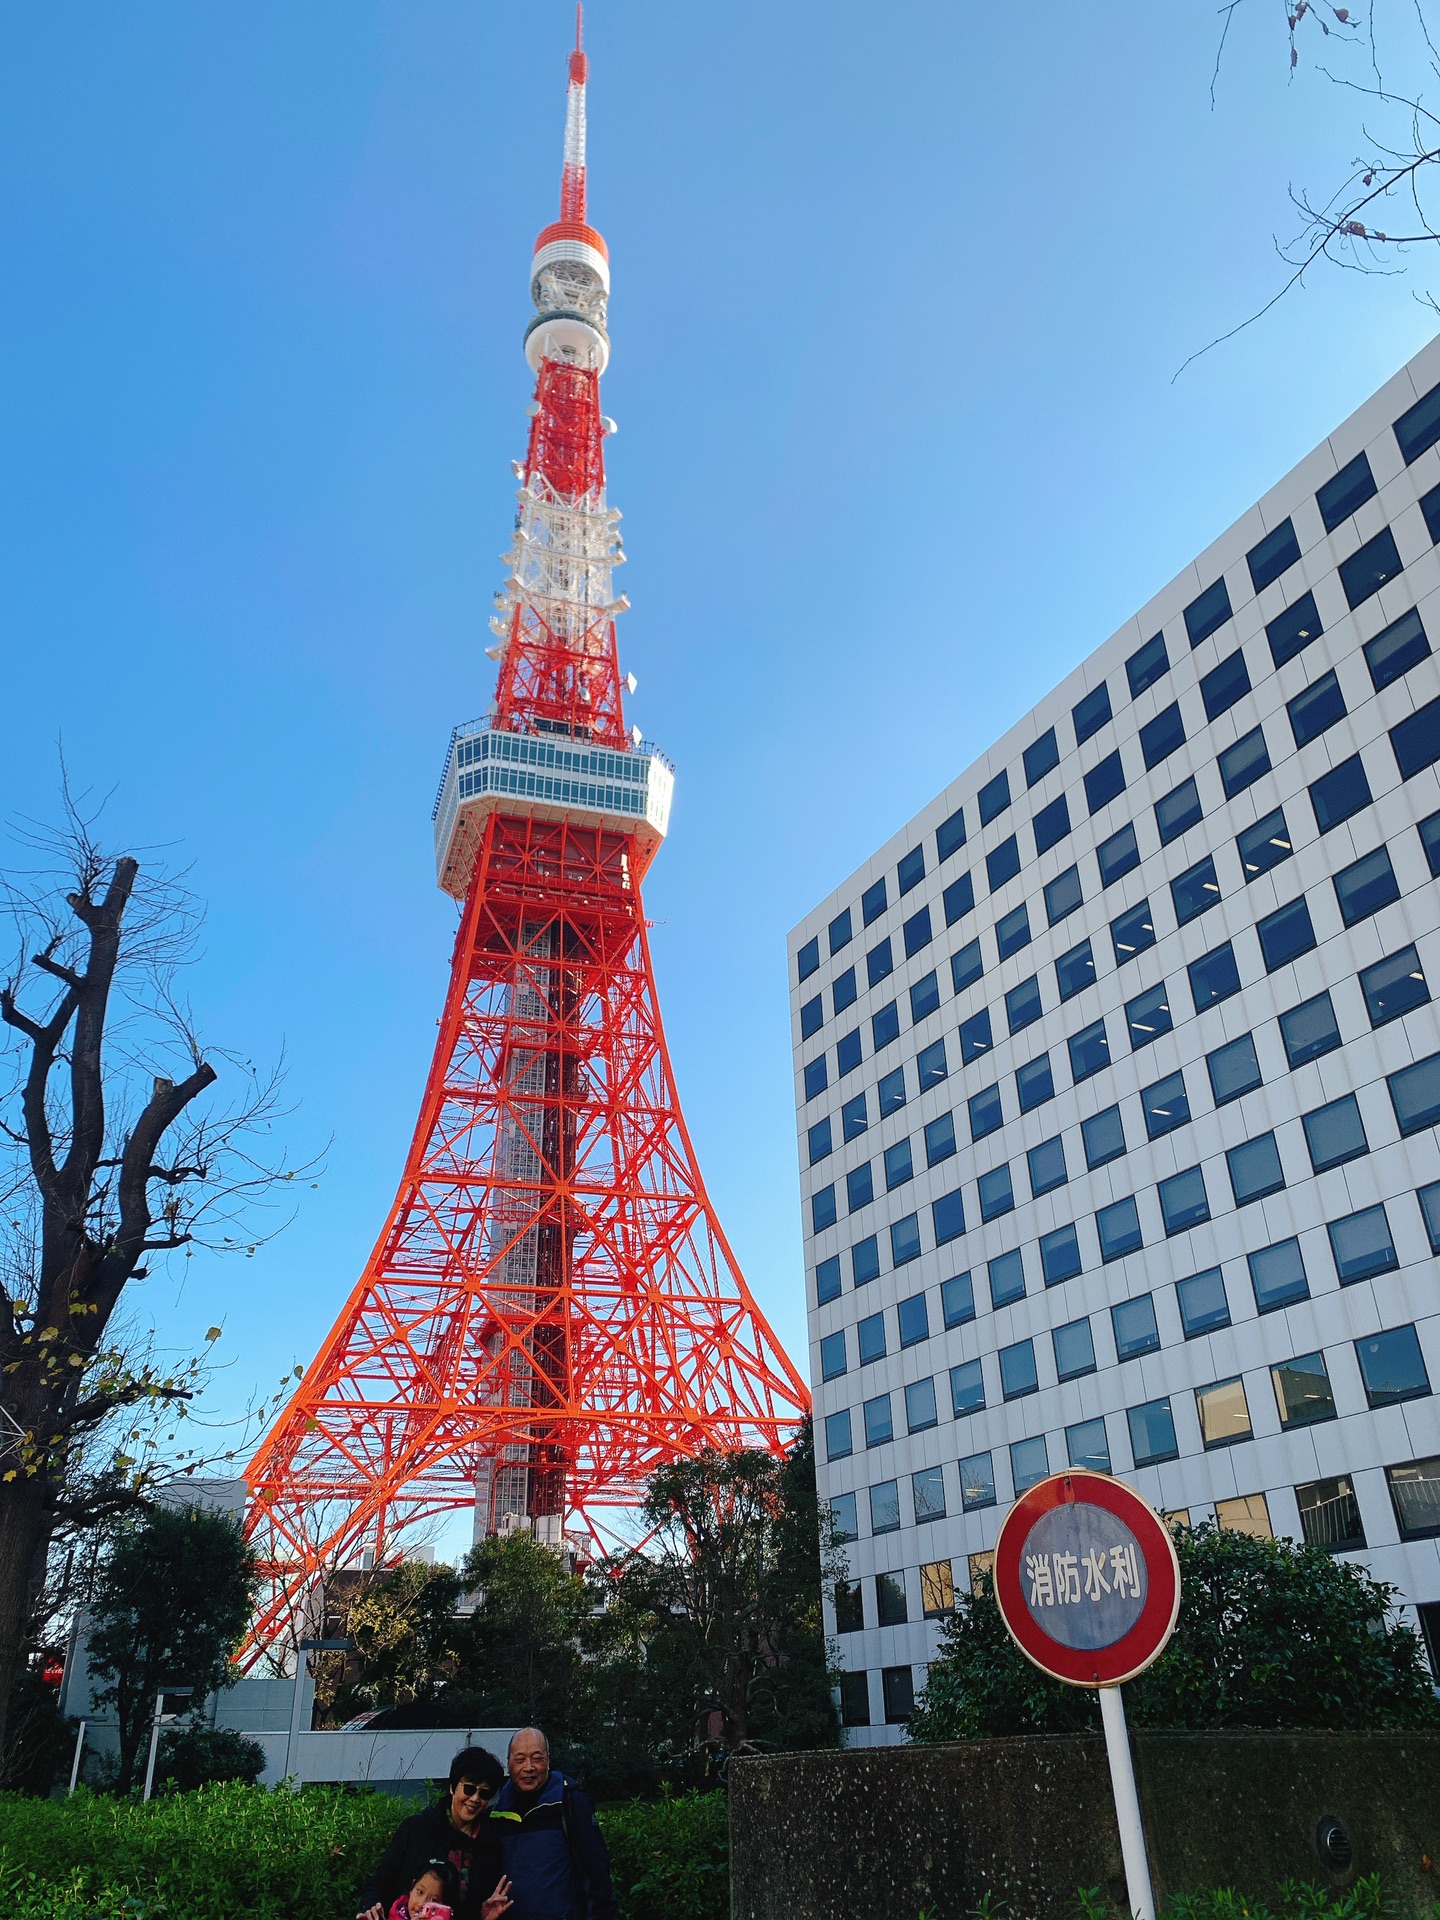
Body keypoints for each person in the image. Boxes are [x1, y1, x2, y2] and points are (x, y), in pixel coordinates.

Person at [356, 1746, 507, 1920]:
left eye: (485, 1793)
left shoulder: (490, 1847)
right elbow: (379, 1883)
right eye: (469, 1789)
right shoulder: (415, 1830)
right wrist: (372, 1907)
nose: (475, 1799)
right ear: (452, 1787)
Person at [486, 1727, 617, 1920]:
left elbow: (598, 1877)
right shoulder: (496, 1815)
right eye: (520, 1759)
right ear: (509, 1763)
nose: (528, 1767)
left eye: (537, 1758)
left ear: (548, 1760)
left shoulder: (572, 1805)